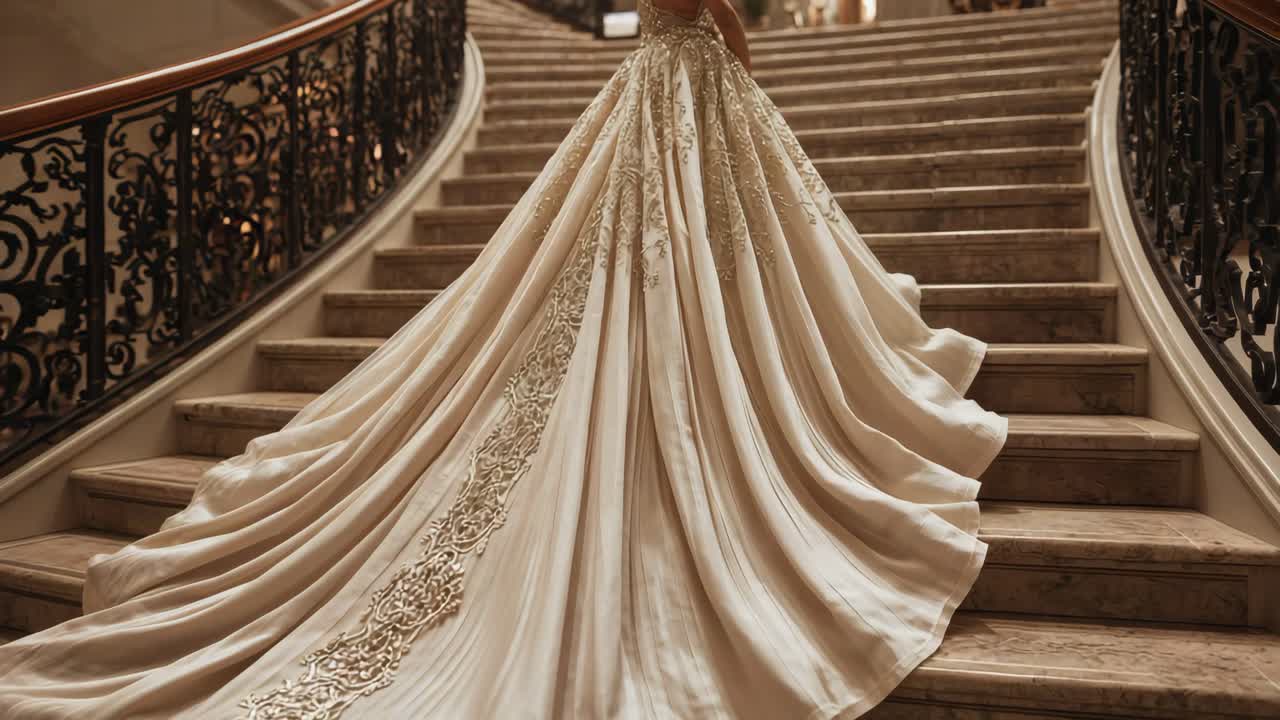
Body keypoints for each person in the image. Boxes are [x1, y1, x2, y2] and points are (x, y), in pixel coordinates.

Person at [0, 0, 1008, 717]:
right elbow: (704, 7)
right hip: (688, 78)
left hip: (654, 81)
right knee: (678, 265)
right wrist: (740, 60)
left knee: (666, 262)